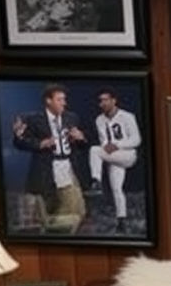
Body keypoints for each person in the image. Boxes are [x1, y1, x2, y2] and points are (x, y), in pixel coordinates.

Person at [10, 83, 88, 234]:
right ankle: (53, 234)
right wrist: (40, 143)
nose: (64, 103)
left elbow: (82, 144)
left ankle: (61, 233)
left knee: (77, 209)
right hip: (46, 170)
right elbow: (18, 142)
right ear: (48, 101)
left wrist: (80, 138)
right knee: (47, 211)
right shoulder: (33, 119)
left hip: (67, 167)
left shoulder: (72, 117)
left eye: (64, 99)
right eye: (59, 99)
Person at [87, 89, 142, 232]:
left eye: (105, 100)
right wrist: (108, 147)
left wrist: (117, 145)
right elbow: (104, 141)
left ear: (113, 100)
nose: (102, 103)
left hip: (128, 155)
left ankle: (96, 181)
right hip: (113, 156)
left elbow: (137, 140)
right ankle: (121, 222)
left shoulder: (127, 116)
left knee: (94, 150)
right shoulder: (99, 119)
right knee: (117, 189)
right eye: (100, 100)